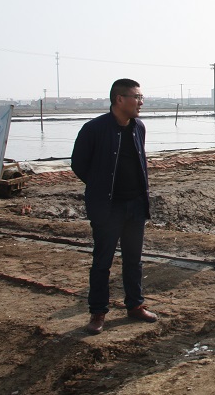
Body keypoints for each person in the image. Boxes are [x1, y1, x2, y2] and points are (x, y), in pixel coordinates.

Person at [71, 78, 158, 334]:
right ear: (119, 99)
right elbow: (79, 164)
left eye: (141, 97)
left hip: (135, 205)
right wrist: (100, 186)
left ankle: (135, 305)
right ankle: (98, 312)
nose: (141, 102)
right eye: (136, 97)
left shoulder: (138, 127)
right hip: (108, 207)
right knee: (102, 262)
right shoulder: (94, 129)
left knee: (134, 260)